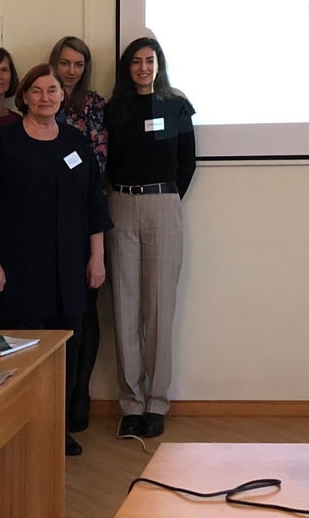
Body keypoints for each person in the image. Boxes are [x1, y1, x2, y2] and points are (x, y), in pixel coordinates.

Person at [0, 64, 110, 456]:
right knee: (22, 351)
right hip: (19, 268)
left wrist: (97, 258)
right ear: (24, 96)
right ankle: (20, 429)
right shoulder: (3, 144)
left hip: (70, 269)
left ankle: (56, 428)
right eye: (38, 90)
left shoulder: (76, 143)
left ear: (62, 96)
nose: (46, 97)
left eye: (53, 90)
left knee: (67, 351)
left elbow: (94, 206)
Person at [105, 36, 195, 441]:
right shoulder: (114, 110)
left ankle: (157, 403)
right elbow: (107, 163)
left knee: (159, 307)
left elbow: (187, 162)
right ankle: (131, 404)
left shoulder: (176, 105)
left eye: (150, 60)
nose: (143, 68)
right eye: (136, 61)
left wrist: (165, 198)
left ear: (159, 65)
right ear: (127, 68)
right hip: (121, 206)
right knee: (125, 307)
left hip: (163, 204)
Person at [49, 34, 107, 439]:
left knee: (87, 309)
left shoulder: (94, 105)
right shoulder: (40, 97)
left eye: (78, 64)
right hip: (45, 224)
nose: (71, 71)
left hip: (86, 218)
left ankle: (80, 394)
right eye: (65, 63)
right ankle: (53, 398)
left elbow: (98, 163)